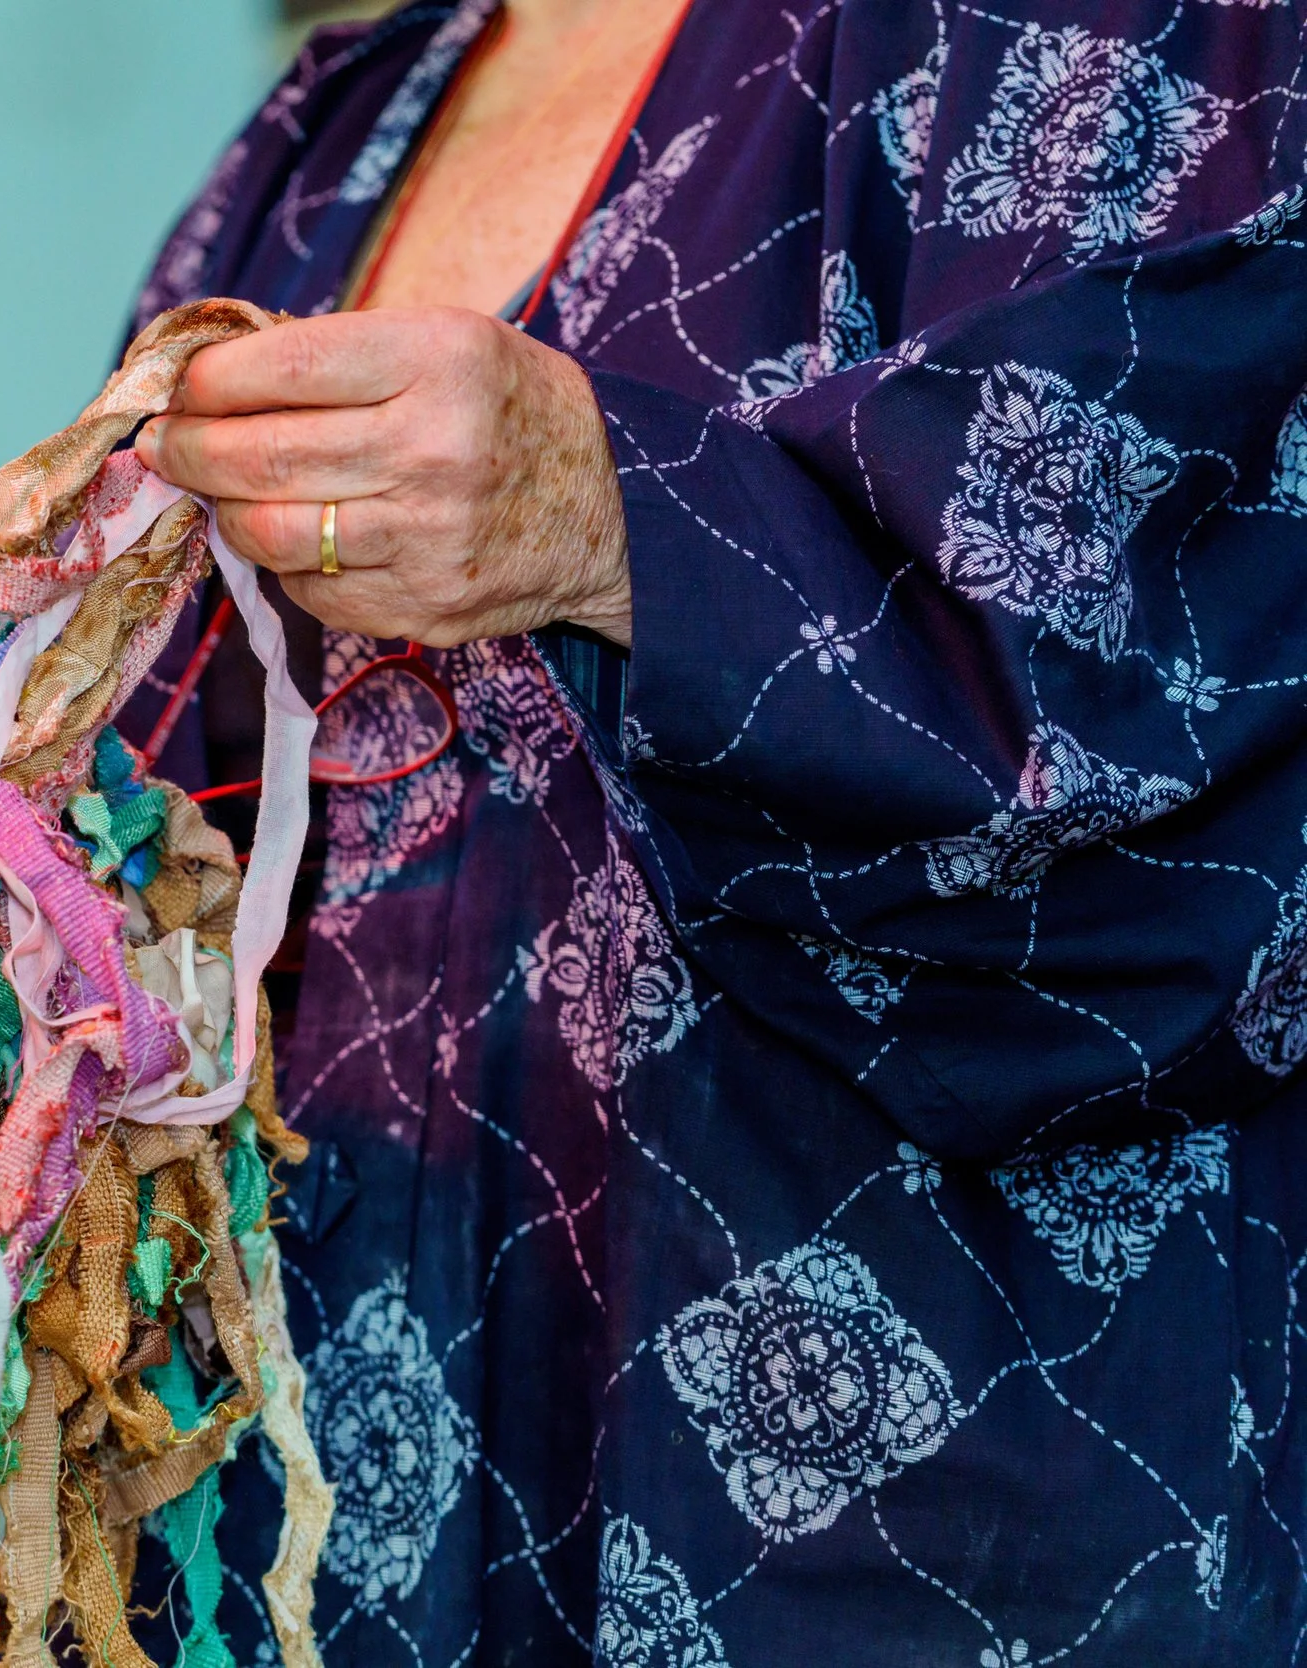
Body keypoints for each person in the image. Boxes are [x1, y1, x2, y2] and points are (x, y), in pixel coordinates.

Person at [113, 0, 1307, 1660]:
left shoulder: (1121, 29)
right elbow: (162, 817)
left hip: (905, 1518)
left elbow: (1195, 730)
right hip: (329, 1510)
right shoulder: (337, 131)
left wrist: (610, 518)